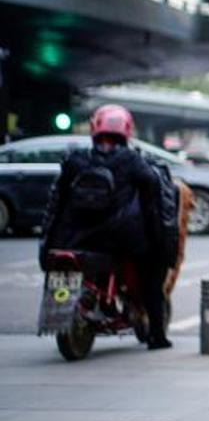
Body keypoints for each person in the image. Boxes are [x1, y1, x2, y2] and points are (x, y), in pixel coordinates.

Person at [40, 104, 173, 349]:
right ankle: (157, 335)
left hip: (74, 239)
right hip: (120, 240)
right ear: (127, 130)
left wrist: (48, 242)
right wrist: (160, 241)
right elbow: (153, 199)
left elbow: (56, 203)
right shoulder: (133, 161)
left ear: (94, 128)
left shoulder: (74, 160)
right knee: (152, 280)